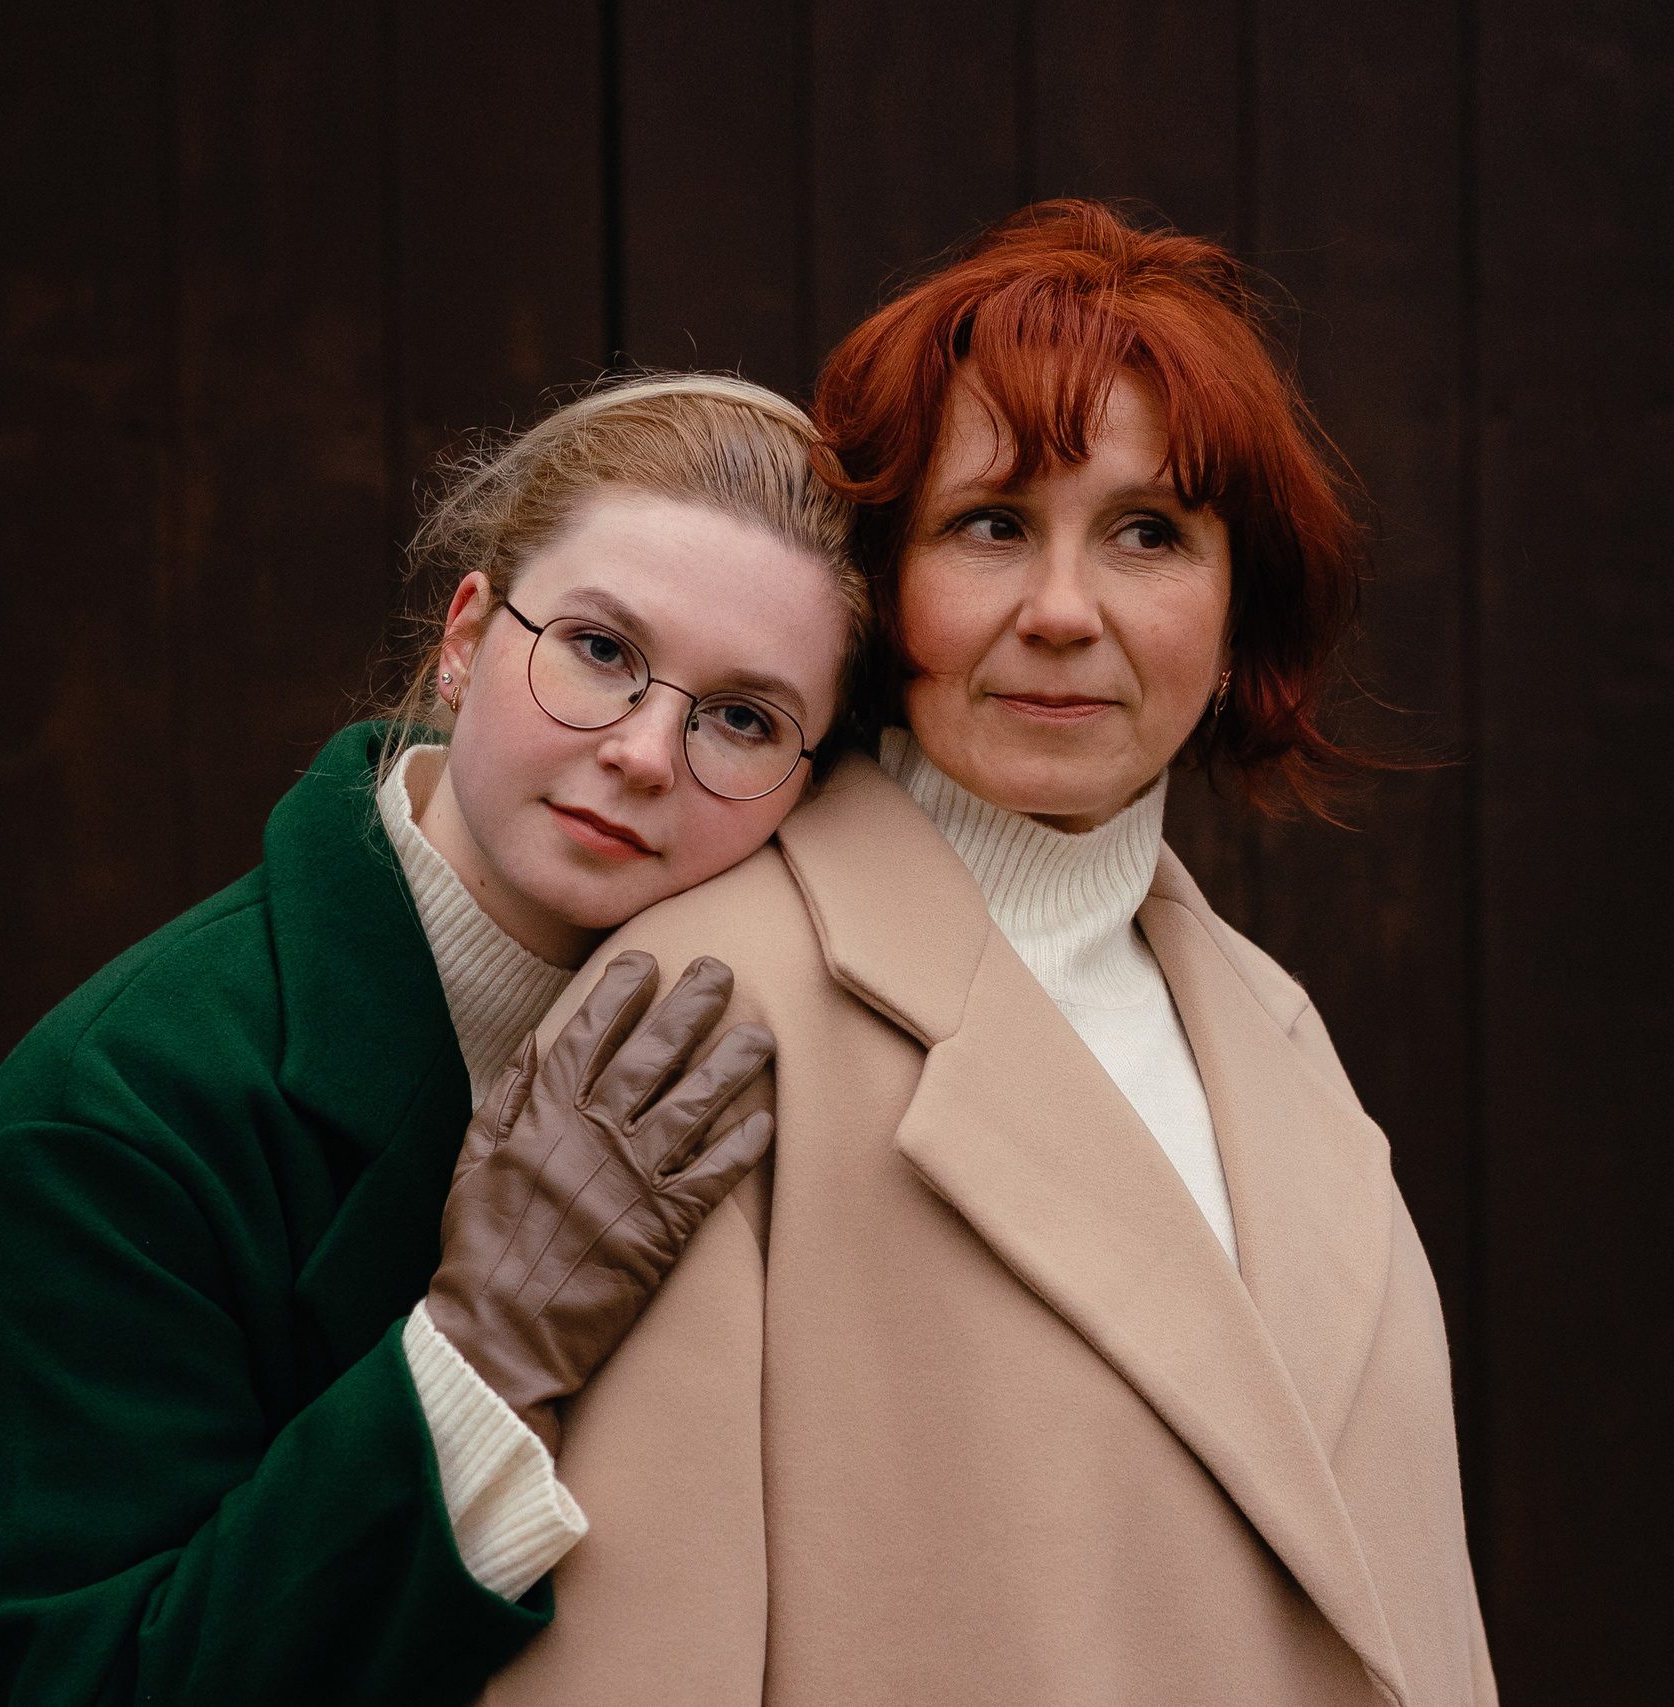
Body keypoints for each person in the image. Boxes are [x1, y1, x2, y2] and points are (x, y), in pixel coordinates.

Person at [478, 203, 1497, 1706]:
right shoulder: (709, 1009)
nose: (1066, 613)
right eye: (991, 526)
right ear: (885, 595)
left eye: (1150, 533)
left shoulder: (1270, 1025)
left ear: (1236, 612)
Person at [0, 375, 871, 1706]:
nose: (648, 752)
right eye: (597, 647)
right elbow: (88, 1684)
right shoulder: (116, 1110)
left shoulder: (788, 1061)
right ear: (468, 635)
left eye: (744, 718)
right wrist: (481, 1346)